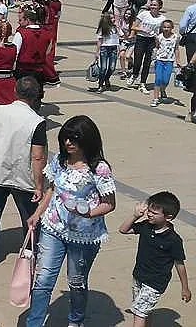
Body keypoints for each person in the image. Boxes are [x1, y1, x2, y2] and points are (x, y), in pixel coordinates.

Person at [25, 116, 116, 327]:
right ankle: (34, 323)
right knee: (43, 280)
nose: (68, 143)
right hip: (53, 228)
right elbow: (52, 189)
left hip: (84, 237)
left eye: (74, 138)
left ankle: (76, 321)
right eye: (65, 138)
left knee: (76, 282)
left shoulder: (99, 169)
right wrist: (37, 213)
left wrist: (88, 214)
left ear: (87, 140)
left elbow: (110, 203)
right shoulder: (59, 160)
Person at [0, 77, 47, 268]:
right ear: (36, 96)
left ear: (15, 91)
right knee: (30, 218)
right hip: (23, 177)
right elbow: (38, 157)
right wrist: (39, 185)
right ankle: (31, 254)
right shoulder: (37, 121)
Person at [118, 191, 191, 326]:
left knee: (139, 312)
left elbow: (179, 264)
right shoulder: (147, 226)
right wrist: (135, 216)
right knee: (144, 312)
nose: (149, 214)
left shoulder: (173, 240)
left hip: (155, 282)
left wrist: (185, 287)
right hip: (139, 275)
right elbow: (123, 230)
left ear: (168, 217)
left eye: (154, 213)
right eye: (149, 210)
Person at [129, 0, 167, 93]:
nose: (153, 7)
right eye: (152, 5)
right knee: (138, 61)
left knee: (147, 63)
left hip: (152, 41)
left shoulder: (162, 19)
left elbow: (163, 32)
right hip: (141, 39)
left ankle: (142, 83)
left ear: (159, 7)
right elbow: (133, 26)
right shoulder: (143, 14)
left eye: (155, 5)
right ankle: (134, 74)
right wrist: (141, 30)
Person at [150, 20, 181, 108]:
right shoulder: (159, 37)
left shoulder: (175, 37)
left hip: (169, 61)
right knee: (158, 79)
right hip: (159, 60)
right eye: (164, 27)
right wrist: (154, 56)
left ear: (172, 28)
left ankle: (162, 90)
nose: (166, 29)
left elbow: (176, 49)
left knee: (166, 80)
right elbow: (157, 47)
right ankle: (155, 99)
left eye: (168, 27)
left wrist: (178, 61)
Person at [92, 13, 119, 93]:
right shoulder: (103, 28)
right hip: (104, 48)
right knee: (103, 68)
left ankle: (106, 78)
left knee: (112, 67)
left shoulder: (115, 28)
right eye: (112, 18)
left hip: (114, 48)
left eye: (114, 18)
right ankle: (100, 85)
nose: (114, 19)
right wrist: (97, 52)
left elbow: (119, 38)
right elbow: (99, 41)